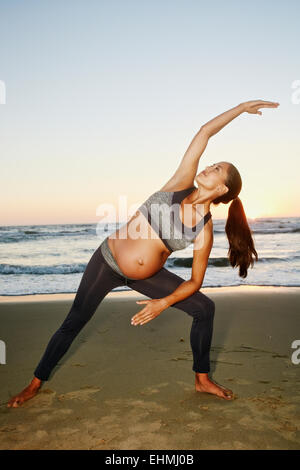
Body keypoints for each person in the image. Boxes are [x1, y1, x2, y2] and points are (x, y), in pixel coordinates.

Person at [7, 99, 279, 408]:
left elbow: (194, 282)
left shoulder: (204, 229)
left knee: (204, 308)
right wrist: (241, 108)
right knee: (74, 321)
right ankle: (33, 384)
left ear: (221, 189)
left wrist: (163, 302)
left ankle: (202, 379)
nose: (208, 166)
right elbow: (204, 132)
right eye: (212, 163)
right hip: (107, 261)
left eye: (216, 169)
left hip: (148, 276)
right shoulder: (180, 183)